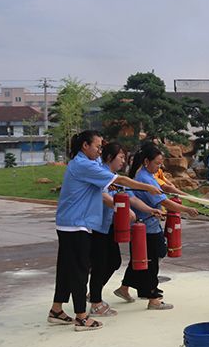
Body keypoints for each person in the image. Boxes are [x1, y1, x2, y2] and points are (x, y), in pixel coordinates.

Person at [49, 131, 162, 332]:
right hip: (76, 224)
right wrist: (148, 188)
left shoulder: (85, 164)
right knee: (79, 270)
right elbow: (121, 182)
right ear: (85, 146)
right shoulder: (84, 165)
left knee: (68, 268)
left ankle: (56, 310)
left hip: (73, 223)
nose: (100, 151)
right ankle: (82, 317)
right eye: (98, 147)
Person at [116, 142, 199, 310]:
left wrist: (188, 197)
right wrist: (187, 209)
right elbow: (165, 202)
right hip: (146, 228)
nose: (159, 166)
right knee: (152, 260)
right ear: (146, 161)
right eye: (157, 163)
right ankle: (153, 297)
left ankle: (126, 287)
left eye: (161, 163)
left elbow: (166, 189)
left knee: (144, 258)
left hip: (148, 226)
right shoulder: (145, 178)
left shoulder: (146, 175)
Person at [88, 142, 164, 317]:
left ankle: (94, 294)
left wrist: (149, 210)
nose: (123, 161)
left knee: (113, 261)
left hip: (110, 227)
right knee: (100, 264)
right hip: (98, 226)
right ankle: (95, 300)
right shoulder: (101, 174)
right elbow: (103, 197)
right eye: (121, 157)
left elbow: (132, 199)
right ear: (109, 158)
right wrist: (122, 207)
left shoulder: (113, 176)